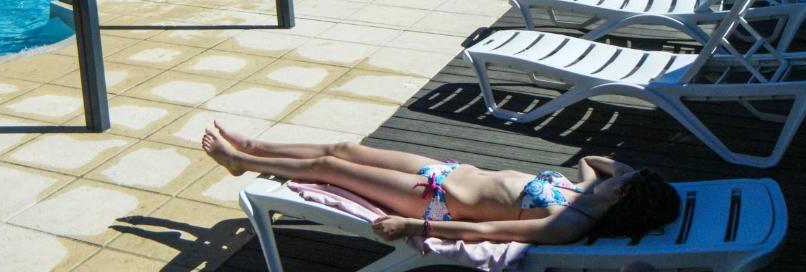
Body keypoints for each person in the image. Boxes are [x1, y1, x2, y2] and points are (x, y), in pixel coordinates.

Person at [202, 122, 679, 245]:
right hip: (445, 170)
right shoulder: (590, 190)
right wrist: (622, 178)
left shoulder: (567, 221)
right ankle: (259, 147)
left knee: (329, 168)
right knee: (344, 148)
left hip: (433, 200)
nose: (627, 172)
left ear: (627, 199)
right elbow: (598, 159)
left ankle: (240, 161)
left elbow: (488, 234)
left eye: (631, 180)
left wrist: (415, 227)